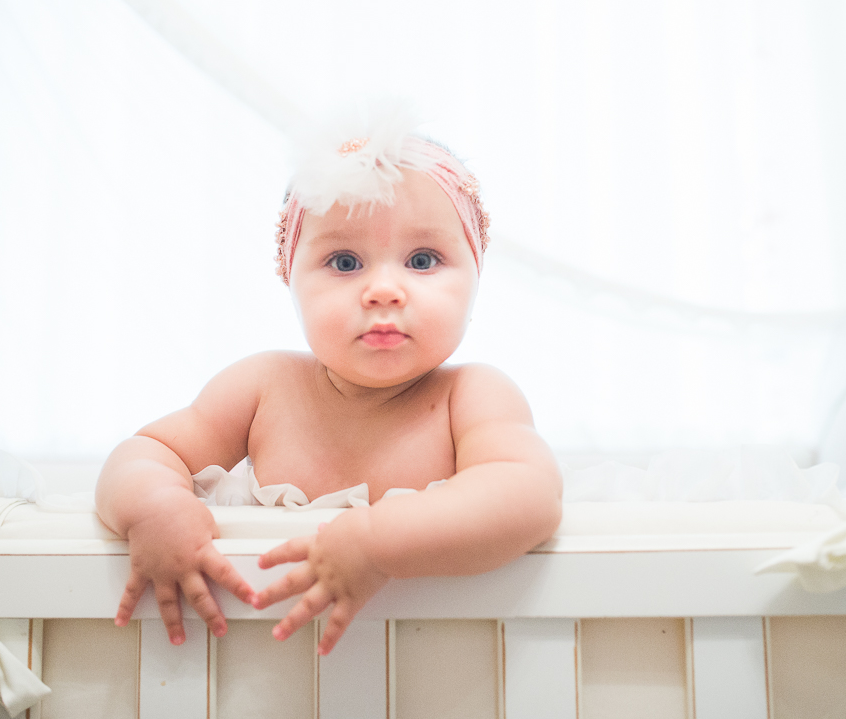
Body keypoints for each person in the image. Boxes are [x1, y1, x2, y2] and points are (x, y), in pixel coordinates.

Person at [94, 108, 563, 655]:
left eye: (422, 258)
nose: (384, 290)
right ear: (289, 276)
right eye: (344, 262)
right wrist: (154, 505)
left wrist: (379, 541)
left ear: (476, 274)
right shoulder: (262, 388)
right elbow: (146, 451)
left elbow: (529, 496)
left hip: (431, 662)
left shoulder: (472, 397)